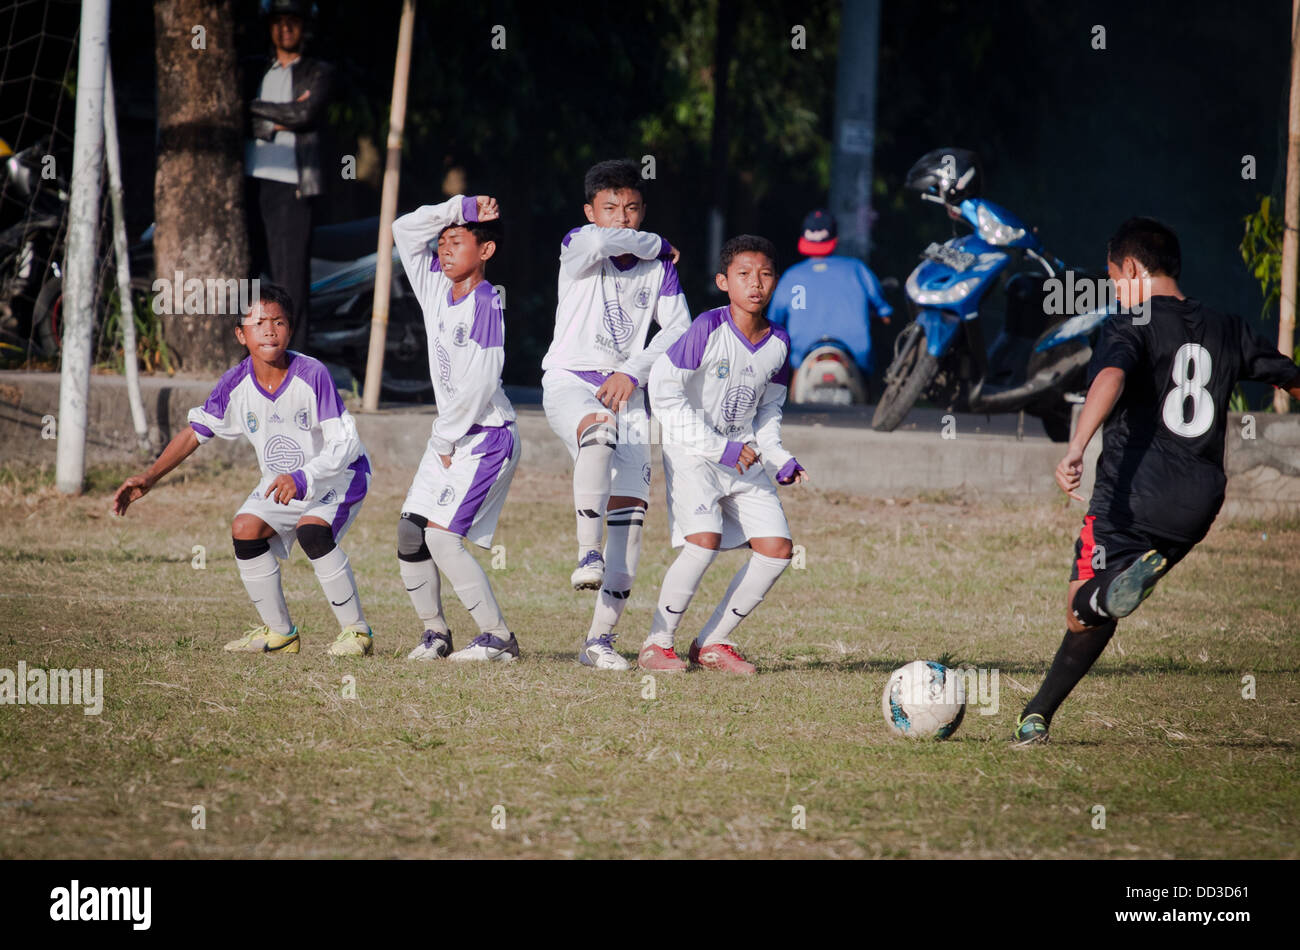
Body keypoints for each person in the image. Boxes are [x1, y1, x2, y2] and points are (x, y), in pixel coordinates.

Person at [1015, 217, 1300, 743]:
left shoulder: (1131, 322)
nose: (1117, 291)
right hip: (1196, 505)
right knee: (1102, 605)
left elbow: (1111, 375)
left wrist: (1076, 446)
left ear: (1129, 268)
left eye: (1114, 279)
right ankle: (1037, 714)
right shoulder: (1227, 327)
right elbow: (1290, 375)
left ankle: (1106, 600)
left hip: (1131, 494)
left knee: (1084, 602)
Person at [111, 284, 374, 656]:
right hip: (283, 482)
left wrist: (303, 478)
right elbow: (195, 433)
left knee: (312, 532)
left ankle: (357, 633)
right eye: (259, 322)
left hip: (340, 475)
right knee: (245, 528)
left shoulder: (313, 374)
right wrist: (150, 477)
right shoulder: (235, 383)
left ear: (290, 329)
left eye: (279, 322)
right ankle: (281, 634)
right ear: (241, 334)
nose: (270, 330)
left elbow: (345, 443)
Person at [540, 158, 692, 670]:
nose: (623, 219)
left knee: (630, 523)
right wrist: (659, 240)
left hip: (627, 387)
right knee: (597, 433)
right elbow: (606, 243)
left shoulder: (660, 269)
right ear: (590, 211)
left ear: (642, 208)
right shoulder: (577, 243)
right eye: (610, 209)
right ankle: (587, 552)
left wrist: (633, 370)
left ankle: (598, 643)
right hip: (570, 380)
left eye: (632, 209)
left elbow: (678, 330)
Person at [642, 235, 808, 675]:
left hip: (743, 458)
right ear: (723, 281)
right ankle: (657, 643)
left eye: (766, 274)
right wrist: (721, 446)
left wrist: (779, 457)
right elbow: (663, 393)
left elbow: (769, 410)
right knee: (704, 540)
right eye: (743, 274)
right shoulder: (707, 328)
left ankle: (713, 643)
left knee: (777, 549)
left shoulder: (780, 343)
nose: (756, 283)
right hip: (694, 453)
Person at [391, 194, 522, 663]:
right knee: (410, 533)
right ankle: (435, 635)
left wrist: (444, 437)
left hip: (486, 438)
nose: (444, 250)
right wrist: (457, 209)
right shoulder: (433, 288)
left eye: (457, 241)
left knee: (442, 538)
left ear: (485, 251)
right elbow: (404, 230)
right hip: (448, 435)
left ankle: (498, 637)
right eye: (441, 243)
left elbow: (482, 381)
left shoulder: (488, 300)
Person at [244, 0, 333, 353]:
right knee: (247, 274)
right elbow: (237, 110)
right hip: (250, 182)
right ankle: (250, 351)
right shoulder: (254, 70)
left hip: (292, 186)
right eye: (278, 22)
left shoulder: (318, 71)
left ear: (303, 28)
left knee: (289, 277)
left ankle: (295, 355)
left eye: (292, 22)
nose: (285, 29)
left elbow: (306, 114)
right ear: (270, 27)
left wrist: (260, 114)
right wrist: (284, 116)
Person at [768, 209, 892, 390]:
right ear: (835, 239)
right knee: (866, 391)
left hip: (805, 354)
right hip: (854, 355)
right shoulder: (857, 270)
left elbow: (774, 323)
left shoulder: (791, 277)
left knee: (796, 374)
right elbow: (885, 313)